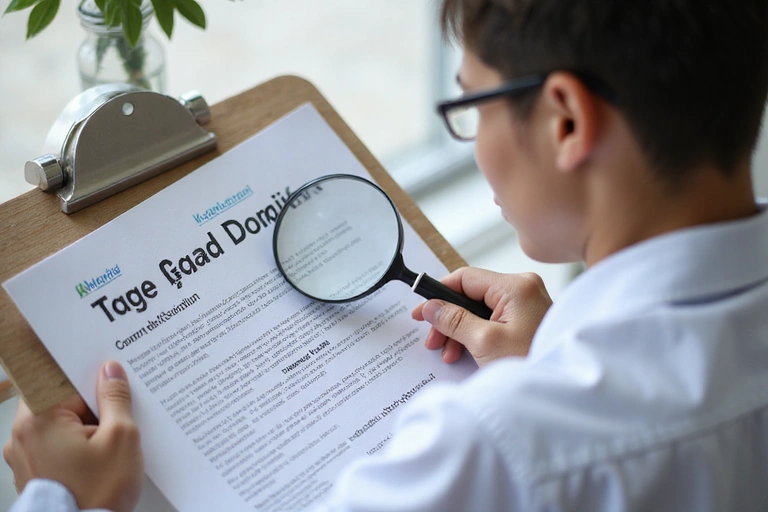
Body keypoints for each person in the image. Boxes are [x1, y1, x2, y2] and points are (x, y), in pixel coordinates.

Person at [5, 0, 768, 510]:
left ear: (565, 121)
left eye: (470, 105)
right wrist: (548, 358)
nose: (472, 150)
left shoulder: (495, 448)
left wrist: (65, 500)